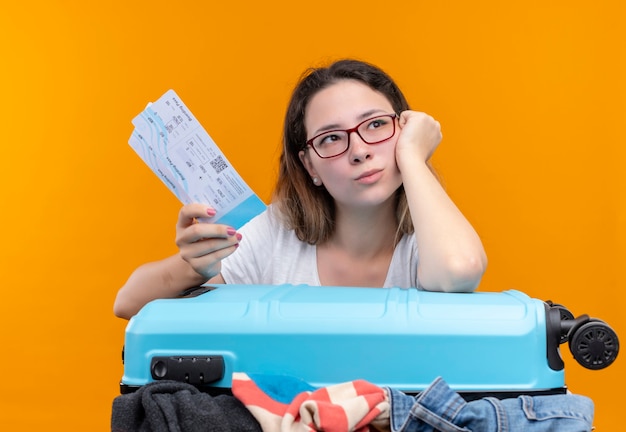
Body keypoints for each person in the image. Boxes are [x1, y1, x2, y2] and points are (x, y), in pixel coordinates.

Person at [114, 59, 488, 320]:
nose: (359, 151)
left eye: (375, 126)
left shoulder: (431, 234)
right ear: (310, 165)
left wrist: (411, 158)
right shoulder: (276, 234)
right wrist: (192, 266)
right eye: (331, 138)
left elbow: (459, 271)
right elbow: (127, 302)